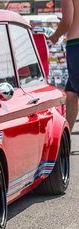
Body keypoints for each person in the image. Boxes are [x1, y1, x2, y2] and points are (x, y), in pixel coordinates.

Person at [49, 0, 79, 131]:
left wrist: (54, 37)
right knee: (71, 93)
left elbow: (67, 21)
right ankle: (66, 140)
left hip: (76, 44)